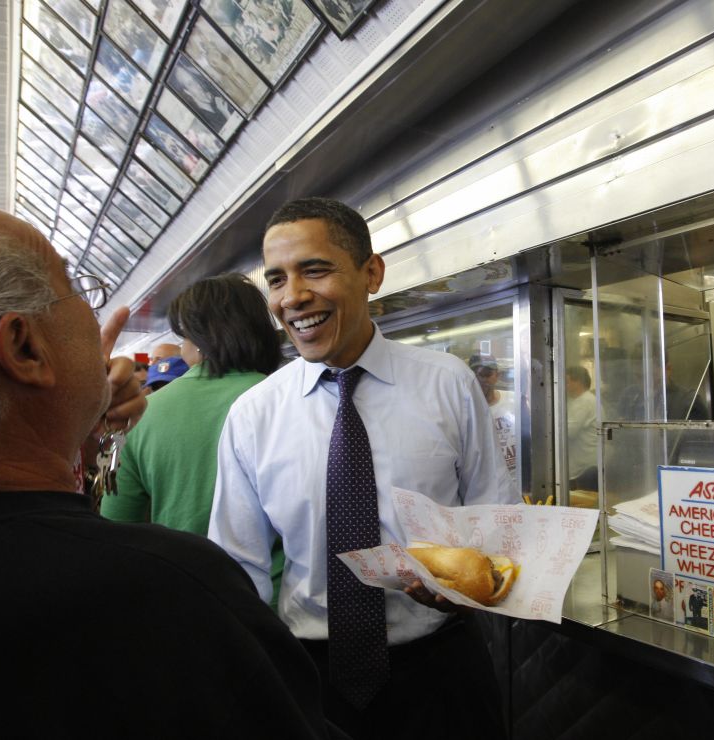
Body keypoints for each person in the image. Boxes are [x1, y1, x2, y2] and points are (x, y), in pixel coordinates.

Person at [0, 195, 336, 738]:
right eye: (76, 291)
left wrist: (77, 430)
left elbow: (108, 518)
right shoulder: (173, 593)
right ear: (24, 349)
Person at [209, 197, 512, 739]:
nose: (293, 297)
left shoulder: (447, 384)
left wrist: (469, 588)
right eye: (276, 280)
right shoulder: (254, 415)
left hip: (442, 668)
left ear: (371, 272)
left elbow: (494, 519)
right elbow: (239, 568)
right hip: (310, 677)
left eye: (315, 270)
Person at [103, 272, 285, 605]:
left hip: (188, 603)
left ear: (197, 339)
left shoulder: (140, 414)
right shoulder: (292, 400)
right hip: (286, 609)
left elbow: (116, 525)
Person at [469, 353, 517, 487]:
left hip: (518, 480)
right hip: (486, 485)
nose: (482, 379)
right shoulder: (466, 409)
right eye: (477, 374)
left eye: (487, 374)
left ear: (497, 375)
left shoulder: (514, 400)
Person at [564, 365, 598, 481]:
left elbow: (568, 432)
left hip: (585, 466)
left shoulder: (585, 401)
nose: (565, 386)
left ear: (578, 382)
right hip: (580, 463)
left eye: (567, 382)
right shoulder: (575, 400)